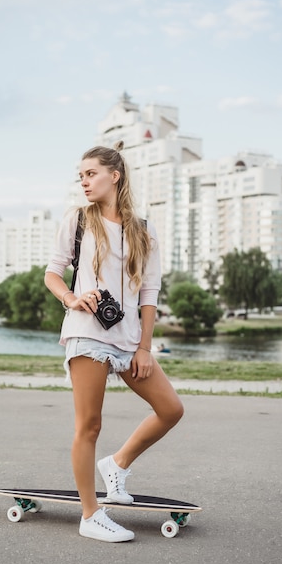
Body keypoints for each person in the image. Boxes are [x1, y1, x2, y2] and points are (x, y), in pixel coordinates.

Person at [44, 141, 184, 543]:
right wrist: (71, 298)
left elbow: (150, 292)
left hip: (128, 341)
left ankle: (117, 464)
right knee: (89, 425)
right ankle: (91, 514)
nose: (84, 182)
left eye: (91, 174)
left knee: (170, 409)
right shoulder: (78, 220)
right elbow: (53, 273)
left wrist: (144, 347)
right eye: (81, 175)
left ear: (114, 175)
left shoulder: (143, 229)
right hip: (87, 333)